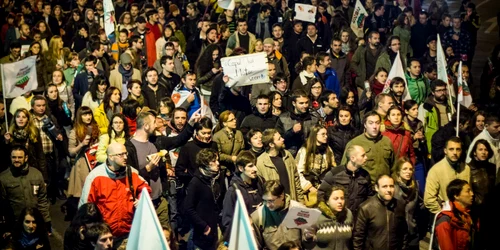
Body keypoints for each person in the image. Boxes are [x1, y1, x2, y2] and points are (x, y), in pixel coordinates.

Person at [79, 142, 151, 243]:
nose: (125, 157)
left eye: (126, 153)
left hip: (128, 234)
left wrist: (141, 199)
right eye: (121, 154)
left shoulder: (132, 172)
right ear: (110, 157)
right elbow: (85, 208)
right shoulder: (95, 177)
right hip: (104, 237)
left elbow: (145, 187)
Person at [0, 146, 51, 234]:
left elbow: (42, 200)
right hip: (15, 224)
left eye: (20, 157)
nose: (16, 160)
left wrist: (46, 220)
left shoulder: (36, 174)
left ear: (26, 158)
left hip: (35, 222)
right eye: (14, 157)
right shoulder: (3, 178)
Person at [183, 148, 224, 250]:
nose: (218, 163)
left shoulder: (218, 178)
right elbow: (188, 208)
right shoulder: (196, 182)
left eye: (217, 160)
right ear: (204, 164)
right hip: (203, 231)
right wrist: (203, 226)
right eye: (213, 161)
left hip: (217, 228)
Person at [352, 175, 408, 250]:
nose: (389, 190)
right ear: (376, 188)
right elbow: (358, 237)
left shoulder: (399, 205)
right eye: (384, 186)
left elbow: (404, 232)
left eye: (391, 186)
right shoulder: (366, 208)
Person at [318, 145, 373, 215]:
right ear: (352, 158)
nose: (366, 158)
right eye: (363, 156)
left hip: (358, 218)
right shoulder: (334, 174)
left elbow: (369, 197)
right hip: (338, 218)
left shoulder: (365, 175)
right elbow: (321, 194)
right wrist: (329, 213)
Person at [67, 107, 101, 220]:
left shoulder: (95, 128)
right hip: (82, 164)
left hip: (94, 162)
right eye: (85, 115)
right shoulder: (74, 131)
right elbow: (71, 152)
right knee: (82, 193)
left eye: (89, 114)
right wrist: (81, 145)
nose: (88, 117)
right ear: (80, 117)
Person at [221, 151, 264, 241]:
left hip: (262, 234)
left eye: (255, 165)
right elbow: (227, 222)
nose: (255, 169)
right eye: (250, 166)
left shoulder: (260, 182)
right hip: (246, 237)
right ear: (241, 168)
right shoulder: (233, 191)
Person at [341, 111, 395, 182]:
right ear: (365, 125)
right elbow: (343, 168)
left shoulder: (387, 141)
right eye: (371, 123)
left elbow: (394, 167)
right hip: (364, 187)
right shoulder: (354, 143)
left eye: (377, 123)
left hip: (384, 187)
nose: (374, 126)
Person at [424, 137, 471, 215]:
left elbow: (469, 193)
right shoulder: (436, 170)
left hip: (463, 215)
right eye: (451, 149)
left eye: (458, 149)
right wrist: (443, 214)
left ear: (461, 151)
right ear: (445, 151)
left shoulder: (466, 169)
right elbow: (429, 199)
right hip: (446, 216)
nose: (455, 152)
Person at [251, 181, 303, 249]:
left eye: (271, 201)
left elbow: (308, 242)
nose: (267, 205)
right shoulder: (258, 217)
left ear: (281, 196)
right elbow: (256, 247)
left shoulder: (299, 210)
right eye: (265, 200)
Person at [295, 125, 335, 205]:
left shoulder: (328, 150)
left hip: (324, 188)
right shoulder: (304, 151)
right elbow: (298, 172)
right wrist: (309, 187)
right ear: (315, 135)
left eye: (326, 134)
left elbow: (333, 168)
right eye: (323, 134)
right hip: (309, 190)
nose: (326, 136)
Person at [303, 185, 353, 250]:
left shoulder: (348, 214)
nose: (340, 202)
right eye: (336, 198)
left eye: (342, 198)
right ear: (327, 201)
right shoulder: (315, 215)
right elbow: (307, 240)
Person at [4, 108, 47, 180]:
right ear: (15, 119)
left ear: (28, 119)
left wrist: (44, 176)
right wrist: (6, 142)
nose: (21, 119)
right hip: (14, 171)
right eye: (18, 117)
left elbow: (40, 154)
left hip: (31, 168)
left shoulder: (34, 132)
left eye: (24, 117)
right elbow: (4, 156)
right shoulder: (9, 133)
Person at [434, 179, 476, 250]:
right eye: (468, 191)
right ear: (456, 196)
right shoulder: (445, 221)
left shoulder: (467, 215)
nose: (472, 194)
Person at [276, 89, 320, 156]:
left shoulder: (314, 119)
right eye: (301, 103)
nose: (305, 106)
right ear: (294, 103)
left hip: (308, 154)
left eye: (306, 102)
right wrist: (292, 131)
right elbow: (277, 139)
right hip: (289, 155)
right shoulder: (283, 118)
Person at [392, 157, 420, 250]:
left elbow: (419, 209)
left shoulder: (415, 187)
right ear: (398, 171)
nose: (408, 172)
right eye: (405, 169)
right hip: (397, 233)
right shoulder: (392, 188)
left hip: (412, 232)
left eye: (410, 169)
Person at [418, 79, 452, 152]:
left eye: (444, 90)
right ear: (433, 92)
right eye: (439, 91)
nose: (442, 93)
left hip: (449, 140)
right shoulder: (425, 107)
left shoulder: (450, 105)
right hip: (434, 143)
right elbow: (420, 126)